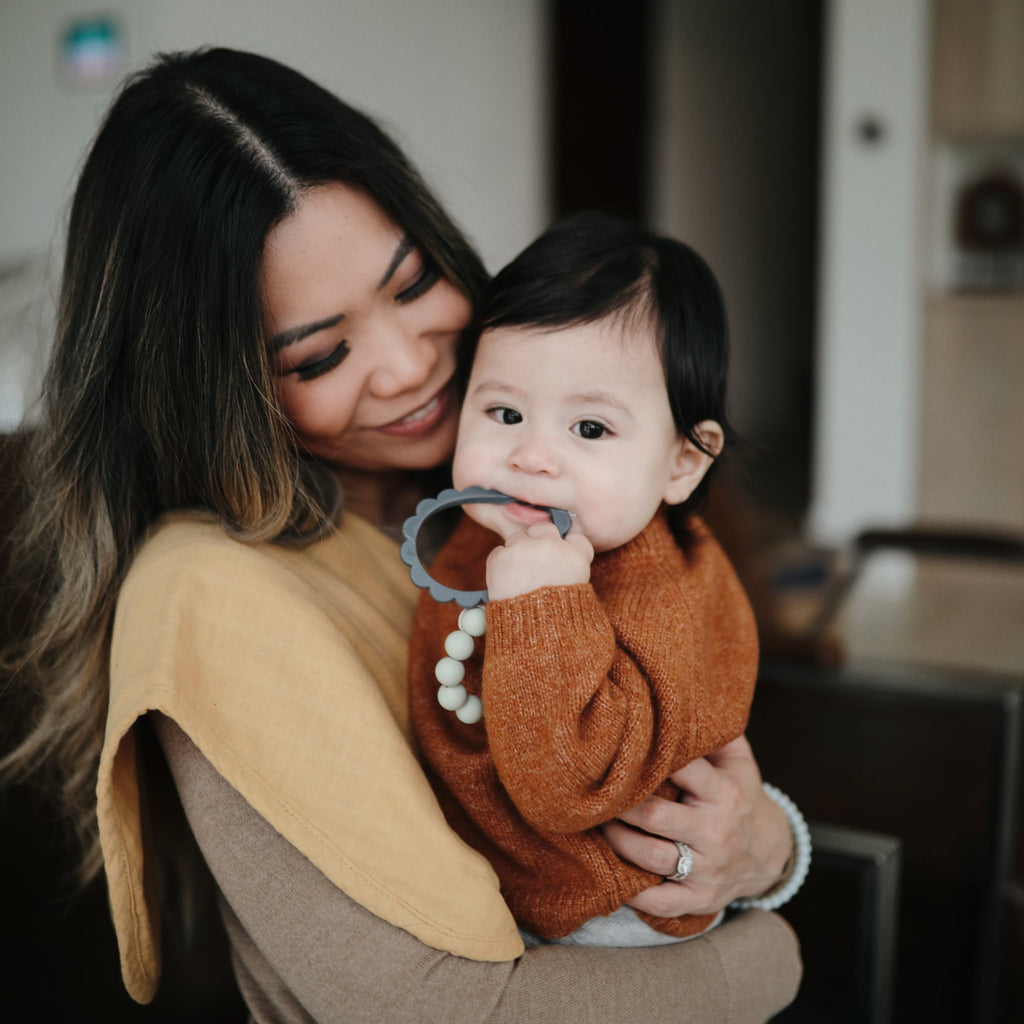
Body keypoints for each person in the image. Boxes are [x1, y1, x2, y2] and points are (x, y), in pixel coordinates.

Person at [0, 47, 801, 1022]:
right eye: (321, 351)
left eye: (414, 282)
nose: (409, 365)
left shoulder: (521, 465)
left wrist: (768, 844)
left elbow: (704, 746)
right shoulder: (210, 596)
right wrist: (769, 959)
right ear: (211, 387)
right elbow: (428, 1005)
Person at [409, 214, 808, 949]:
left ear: (683, 463)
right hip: (514, 878)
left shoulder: (653, 591)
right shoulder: (496, 527)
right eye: (504, 412)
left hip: (608, 907)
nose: (530, 455)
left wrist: (541, 605)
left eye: (589, 429)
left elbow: (570, 783)